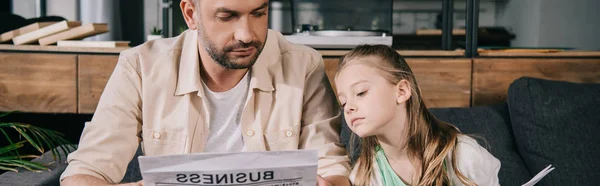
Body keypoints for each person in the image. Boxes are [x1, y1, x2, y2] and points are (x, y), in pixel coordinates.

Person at [60, 0, 351, 185]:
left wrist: (330, 182)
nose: (247, 34)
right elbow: (86, 172)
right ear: (191, 14)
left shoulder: (303, 65)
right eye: (227, 16)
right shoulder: (140, 68)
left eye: (258, 13)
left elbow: (331, 165)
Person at [334, 45, 500, 186]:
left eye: (361, 92)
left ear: (402, 91)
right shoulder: (364, 176)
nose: (348, 108)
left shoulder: (464, 157)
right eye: (343, 102)